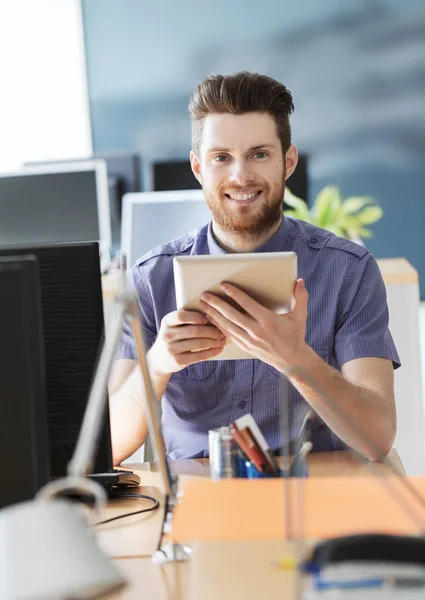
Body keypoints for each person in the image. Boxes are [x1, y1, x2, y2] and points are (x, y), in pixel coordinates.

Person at [109, 71, 400, 465]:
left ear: (288, 161)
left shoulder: (349, 271)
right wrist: (159, 363)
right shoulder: (151, 279)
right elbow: (108, 446)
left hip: (315, 495)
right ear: (198, 168)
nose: (240, 175)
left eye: (259, 154)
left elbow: (377, 437)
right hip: (200, 500)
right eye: (221, 158)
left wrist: (296, 360)